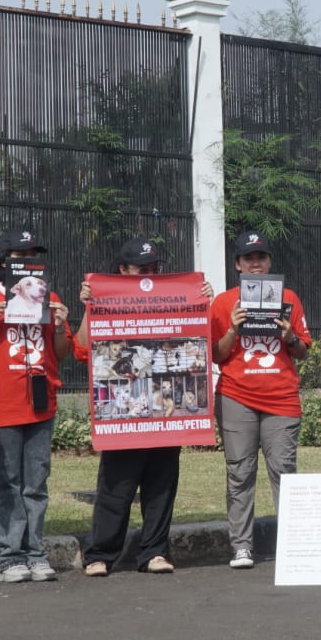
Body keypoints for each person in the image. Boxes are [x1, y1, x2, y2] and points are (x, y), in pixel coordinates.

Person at [74, 237, 214, 576]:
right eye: (141, 269)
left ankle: (154, 552)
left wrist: (201, 301)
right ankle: (101, 555)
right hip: (126, 412)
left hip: (166, 410)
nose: (149, 274)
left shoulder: (173, 297)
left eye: (154, 269)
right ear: (122, 270)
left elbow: (198, 338)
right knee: (116, 487)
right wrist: (89, 308)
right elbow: (81, 347)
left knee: (161, 486)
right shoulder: (105, 298)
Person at [0, 229, 72, 583]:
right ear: (3, 262)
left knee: (36, 484)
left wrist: (60, 326)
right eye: (19, 256)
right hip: (2, 402)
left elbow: (62, 352)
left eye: (32, 255)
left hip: (42, 401)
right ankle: (8, 556)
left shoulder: (49, 295)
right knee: (6, 483)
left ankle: (35, 552)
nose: (27, 262)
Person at [210, 230, 312, 570]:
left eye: (261, 258)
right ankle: (241, 546)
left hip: (281, 399)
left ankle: (294, 543)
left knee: (284, 471)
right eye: (249, 259)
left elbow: (304, 352)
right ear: (238, 265)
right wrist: (232, 331)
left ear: (269, 262)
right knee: (240, 472)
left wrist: (290, 336)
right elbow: (214, 355)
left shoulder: (290, 299)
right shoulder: (224, 303)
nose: (256, 264)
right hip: (236, 396)